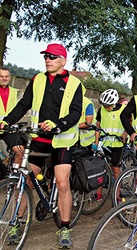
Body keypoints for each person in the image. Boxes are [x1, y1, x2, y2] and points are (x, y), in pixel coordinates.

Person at [0, 43, 83, 248]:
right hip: (38, 139)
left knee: (62, 184)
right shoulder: (37, 79)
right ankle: (16, 223)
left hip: (62, 141)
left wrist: (59, 124)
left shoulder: (74, 84)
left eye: (52, 57)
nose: (48, 59)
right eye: (46, 56)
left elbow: (75, 113)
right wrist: (6, 122)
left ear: (63, 61)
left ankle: (64, 227)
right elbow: (24, 104)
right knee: (26, 182)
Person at [94, 89, 126, 201]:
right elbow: (97, 126)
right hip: (104, 143)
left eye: (108, 106)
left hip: (117, 144)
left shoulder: (123, 110)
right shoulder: (101, 110)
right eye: (105, 105)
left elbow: (130, 123)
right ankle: (99, 193)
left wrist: (125, 133)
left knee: (116, 170)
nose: (106, 108)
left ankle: (117, 194)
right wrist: (96, 142)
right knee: (100, 168)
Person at [0, 67, 22, 179]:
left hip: (8, 128)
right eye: (1, 76)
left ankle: (14, 176)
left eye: (6, 76)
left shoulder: (14, 91)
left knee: (20, 150)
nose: (4, 78)